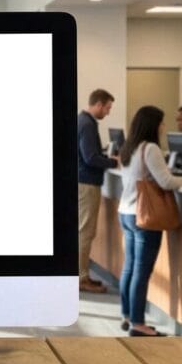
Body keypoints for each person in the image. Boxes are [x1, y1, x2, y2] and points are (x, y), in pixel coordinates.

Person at [118, 106, 182, 336]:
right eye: (161, 122)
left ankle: (127, 315)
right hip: (145, 216)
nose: (163, 127)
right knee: (141, 271)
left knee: (129, 267)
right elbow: (166, 182)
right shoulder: (150, 148)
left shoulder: (129, 148)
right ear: (152, 125)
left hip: (126, 212)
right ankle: (138, 324)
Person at [78, 89, 119, 293]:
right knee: (85, 232)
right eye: (108, 108)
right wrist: (113, 162)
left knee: (83, 231)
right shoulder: (87, 124)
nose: (108, 112)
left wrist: (108, 159)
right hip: (86, 183)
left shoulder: (83, 121)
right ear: (99, 104)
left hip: (82, 181)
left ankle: (81, 274)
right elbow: (90, 158)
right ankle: (81, 278)